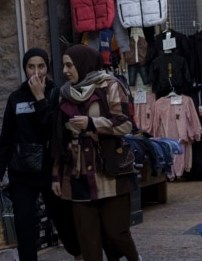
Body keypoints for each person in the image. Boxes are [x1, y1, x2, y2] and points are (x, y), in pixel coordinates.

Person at [52, 45, 141, 261]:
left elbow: (126, 124)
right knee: (88, 239)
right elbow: (58, 140)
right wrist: (56, 175)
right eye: (64, 65)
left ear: (83, 65)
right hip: (78, 175)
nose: (65, 70)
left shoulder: (110, 85)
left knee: (116, 233)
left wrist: (92, 123)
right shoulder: (63, 94)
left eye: (69, 65)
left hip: (110, 172)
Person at [0, 49, 80, 261]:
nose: (36, 72)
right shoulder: (16, 98)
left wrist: (40, 98)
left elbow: (55, 131)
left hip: (50, 169)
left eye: (41, 66)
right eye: (31, 66)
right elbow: (7, 136)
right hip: (22, 171)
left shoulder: (55, 94)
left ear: (47, 68)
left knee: (63, 218)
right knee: (24, 224)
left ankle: (78, 252)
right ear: (25, 69)